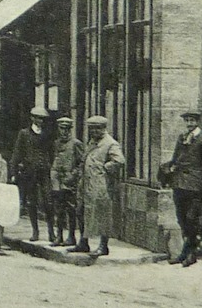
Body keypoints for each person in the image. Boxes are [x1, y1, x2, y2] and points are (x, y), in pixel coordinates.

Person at [161, 109, 202, 266]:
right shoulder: (182, 138)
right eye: (187, 120)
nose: (189, 123)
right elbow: (175, 158)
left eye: (192, 120)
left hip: (195, 185)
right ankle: (185, 251)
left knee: (192, 219)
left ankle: (191, 253)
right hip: (179, 183)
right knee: (181, 218)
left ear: (197, 122)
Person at [74, 114, 126, 256]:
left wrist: (104, 168)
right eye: (91, 129)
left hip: (101, 185)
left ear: (103, 128)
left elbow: (120, 161)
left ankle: (103, 246)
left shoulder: (110, 143)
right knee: (81, 211)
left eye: (96, 129)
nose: (93, 132)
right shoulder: (92, 142)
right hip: (86, 184)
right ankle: (83, 243)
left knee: (103, 215)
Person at [9, 107, 54, 242]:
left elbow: (51, 152)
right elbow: (17, 153)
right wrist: (13, 172)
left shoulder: (47, 134)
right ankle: (35, 231)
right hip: (29, 172)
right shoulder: (24, 134)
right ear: (32, 118)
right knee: (32, 202)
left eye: (42, 119)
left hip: (44, 172)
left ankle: (52, 232)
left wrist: (50, 166)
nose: (40, 121)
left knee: (48, 201)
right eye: (38, 118)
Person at [48, 116, 83, 249]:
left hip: (69, 182)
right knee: (59, 209)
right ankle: (59, 236)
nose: (64, 132)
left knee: (71, 210)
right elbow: (54, 159)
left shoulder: (76, 143)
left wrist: (73, 176)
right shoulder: (56, 143)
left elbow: (81, 163)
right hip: (57, 180)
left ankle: (71, 236)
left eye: (67, 129)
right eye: (62, 128)